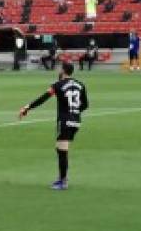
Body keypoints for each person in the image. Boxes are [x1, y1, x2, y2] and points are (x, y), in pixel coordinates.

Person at [18, 61, 88, 191]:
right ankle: (62, 178)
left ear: (63, 71)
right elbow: (85, 105)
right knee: (60, 148)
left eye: (60, 69)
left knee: (62, 150)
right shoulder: (81, 85)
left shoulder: (57, 85)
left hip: (64, 121)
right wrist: (74, 113)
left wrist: (27, 107)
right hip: (76, 121)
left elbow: (43, 98)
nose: (58, 71)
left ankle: (63, 181)